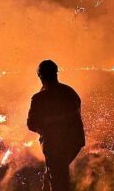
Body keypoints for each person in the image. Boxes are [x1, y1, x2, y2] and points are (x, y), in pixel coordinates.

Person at [27, 60, 85, 191]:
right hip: (74, 142)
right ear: (56, 73)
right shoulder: (70, 92)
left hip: (54, 146)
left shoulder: (39, 98)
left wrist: (46, 125)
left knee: (58, 180)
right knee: (53, 175)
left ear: (40, 76)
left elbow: (31, 124)